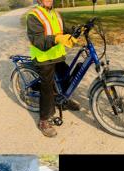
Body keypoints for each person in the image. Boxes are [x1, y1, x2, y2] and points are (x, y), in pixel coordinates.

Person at [27, 0, 81, 137]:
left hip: (57, 55)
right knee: (47, 87)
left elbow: (64, 30)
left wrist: (77, 30)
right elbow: (38, 41)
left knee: (66, 76)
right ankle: (44, 120)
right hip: (43, 57)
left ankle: (63, 100)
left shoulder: (56, 14)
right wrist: (57, 39)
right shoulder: (34, 15)